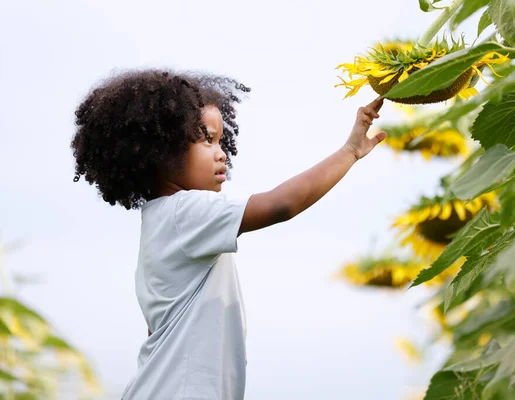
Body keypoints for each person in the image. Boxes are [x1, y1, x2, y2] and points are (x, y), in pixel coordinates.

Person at [71, 70, 386, 400]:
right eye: (207, 140)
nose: (221, 153)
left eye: (221, 140)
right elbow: (282, 204)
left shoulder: (160, 224)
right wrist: (350, 150)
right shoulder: (185, 213)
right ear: (162, 151)